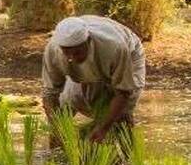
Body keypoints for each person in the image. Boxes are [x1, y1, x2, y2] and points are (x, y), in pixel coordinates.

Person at [42, 15, 146, 143]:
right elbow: (50, 94)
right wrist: (57, 128)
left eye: (77, 52)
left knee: (121, 115)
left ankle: (128, 159)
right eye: (66, 52)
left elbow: (123, 92)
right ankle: (58, 156)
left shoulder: (114, 47)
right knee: (66, 104)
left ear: (88, 41)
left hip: (130, 54)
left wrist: (104, 128)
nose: (71, 58)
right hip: (100, 61)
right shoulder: (53, 50)